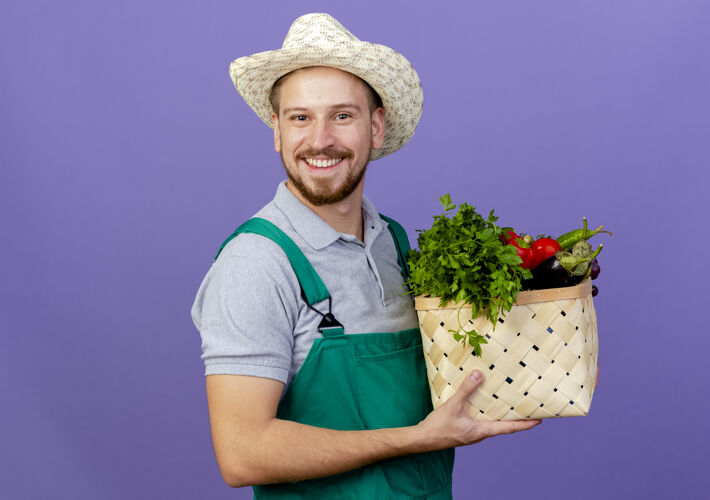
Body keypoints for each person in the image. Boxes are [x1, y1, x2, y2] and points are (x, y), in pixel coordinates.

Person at [191, 13, 541, 499]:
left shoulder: (393, 244)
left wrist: (538, 349)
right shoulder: (257, 264)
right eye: (300, 118)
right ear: (276, 129)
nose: (319, 140)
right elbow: (242, 451)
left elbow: (456, 375)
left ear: (375, 126)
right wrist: (417, 440)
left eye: (342, 115)